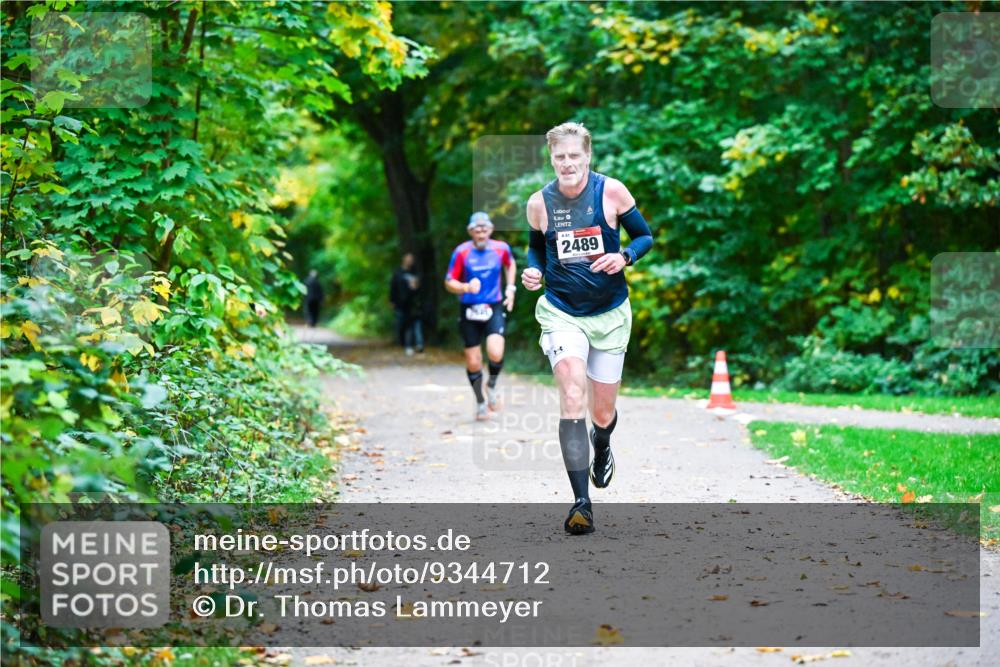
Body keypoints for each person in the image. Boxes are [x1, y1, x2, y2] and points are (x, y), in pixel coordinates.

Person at [521, 122, 653, 535]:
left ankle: (602, 443)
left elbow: (645, 236)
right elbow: (536, 248)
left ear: (587, 156)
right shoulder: (539, 203)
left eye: (574, 156)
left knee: (602, 411)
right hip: (562, 312)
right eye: (559, 156)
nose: (567, 163)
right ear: (552, 158)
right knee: (572, 393)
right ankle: (581, 503)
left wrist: (626, 257)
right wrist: (532, 270)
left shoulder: (611, 192)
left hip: (611, 312)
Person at [444, 212, 517, 421]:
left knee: (496, 352)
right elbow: (449, 281)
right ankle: (480, 402)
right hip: (469, 309)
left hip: (492, 306)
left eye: (484, 229)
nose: (481, 232)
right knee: (474, 362)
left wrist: (510, 288)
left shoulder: (501, 248)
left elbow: (510, 264)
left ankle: (491, 384)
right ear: (470, 232)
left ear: (491, 230)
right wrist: (465, 286)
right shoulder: (461, 252)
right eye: (477, 229)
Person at [390, 253, 424, 355]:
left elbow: (419, 287)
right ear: (403, 259)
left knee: (415, 324)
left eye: (411, 259)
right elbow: (393, 287)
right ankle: (405, 344)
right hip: (401, 304)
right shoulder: (398, 273)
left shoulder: (415, 272)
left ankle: (418, 344)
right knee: (403, 325)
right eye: (408, 259)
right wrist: (392, 300)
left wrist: (416, 287)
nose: (410, 261)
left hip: (414, 304)